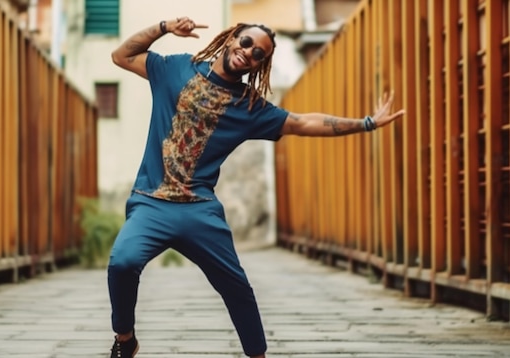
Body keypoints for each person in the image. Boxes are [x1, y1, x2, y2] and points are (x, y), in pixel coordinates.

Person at [106, 17, 405, 358]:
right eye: (246, 43)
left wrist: (366, 124)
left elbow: (303, 122)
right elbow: (122, 56)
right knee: (122, 262)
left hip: (199, 209)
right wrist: (163, 28)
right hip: (151, 202)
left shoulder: (250, 107)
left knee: (236, 287)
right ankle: (126, 339)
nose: (248, 53)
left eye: (259, 54)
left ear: (260, 65)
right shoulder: (175, 68)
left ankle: (257, 355)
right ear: (232, 37)